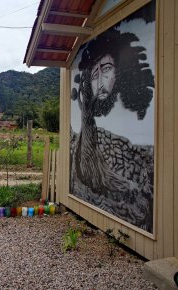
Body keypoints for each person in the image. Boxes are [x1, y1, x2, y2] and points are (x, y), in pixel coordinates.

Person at [70, 27, 154, 232]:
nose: (99, 82)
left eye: (106, 68)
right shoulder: (89, 116)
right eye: (94, 73)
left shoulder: (135, 150)